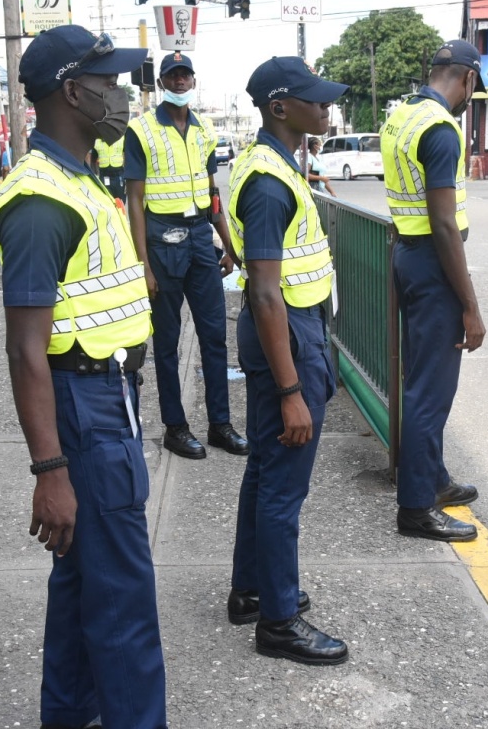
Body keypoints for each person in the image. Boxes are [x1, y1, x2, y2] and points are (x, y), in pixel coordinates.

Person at [0, 24, 166, 729]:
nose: (120, 97)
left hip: (107, 395)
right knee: (123, 600)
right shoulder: (40, 201)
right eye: (110, 83)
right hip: (85, 410)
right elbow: (24, 349)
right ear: (72, 91)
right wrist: (50, 469)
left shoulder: (81, 177)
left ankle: (69, 715)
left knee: (83, 583)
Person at [226, 55, 349, 665]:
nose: (326, 108)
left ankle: (252, 590)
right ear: (280, 107)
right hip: (288, 336)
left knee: (264, 475)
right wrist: (293, 389)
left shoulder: (271, 165)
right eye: (315, 100)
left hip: (287, 330)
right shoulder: (270, 182)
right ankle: (277, 622)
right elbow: (267, 291)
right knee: (283, 489)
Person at [382, 40, 486, 543]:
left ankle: (434, 479)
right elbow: (445, 224)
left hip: (408, 256)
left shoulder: (402, 117)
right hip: (434, 263)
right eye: (473, 89)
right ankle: (417, 508)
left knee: (420, 380)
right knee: (431, 392)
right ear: (466, 78)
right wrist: (470, 307)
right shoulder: (442, 130)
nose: (469, 99)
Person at [124, 52, 248, 460]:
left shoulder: (204, 129)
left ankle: (220, 425)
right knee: (167, 343)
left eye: (185, 75)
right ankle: (176, 428)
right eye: (172, 76)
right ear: (162, 83)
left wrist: (227, 245)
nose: (180, 82)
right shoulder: (141, 130)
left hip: (199, 239)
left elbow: (212, 191)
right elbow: (136, 200)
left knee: (215, 337)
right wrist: (142, 265)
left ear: (193, 80)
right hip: (162, 242)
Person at [95, 134, 127, 203]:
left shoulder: (121, 137)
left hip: (118, 174)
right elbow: (92, 158)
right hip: (104, 175)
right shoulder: (97, 140)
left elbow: (127, 155)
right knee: (107, 201)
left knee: (120, 202)